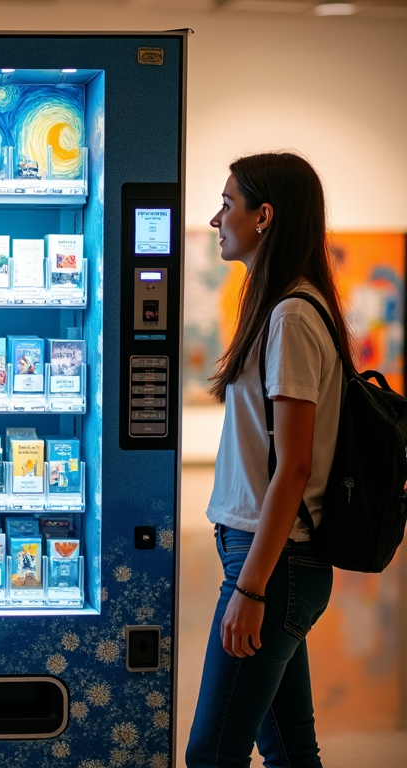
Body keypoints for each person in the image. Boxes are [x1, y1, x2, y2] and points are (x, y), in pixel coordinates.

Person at [186, 152, 353, 767]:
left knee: (212, 753)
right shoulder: (285, 308)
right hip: (272, 559)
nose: (215, 218)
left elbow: (295, 466)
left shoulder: (290, 316)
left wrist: (250, 589)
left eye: (228, 203)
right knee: (287, 748)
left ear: (265, 217)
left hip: (274, 562)